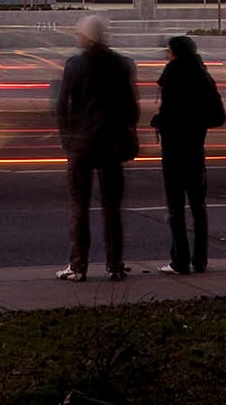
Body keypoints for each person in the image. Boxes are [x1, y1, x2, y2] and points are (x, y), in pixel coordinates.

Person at [53, 14, 140, 282]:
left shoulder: (75, 65)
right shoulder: (122, 65)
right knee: (112, 207)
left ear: (86, 36)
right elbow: (131, 107)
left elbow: (62, 105)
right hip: (111, 143)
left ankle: (78, 266)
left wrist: (67, 139)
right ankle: (115, 264)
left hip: (81, 143)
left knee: (79, 205)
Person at [150, 35, 226, 275]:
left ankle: (180, 260)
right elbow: (218, 116)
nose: (166, 55)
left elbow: (170, 113)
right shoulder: (204, 77)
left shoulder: (172, 75)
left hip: (174, 148)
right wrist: (197, 121)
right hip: (195, 147)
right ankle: (200, 260)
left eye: (169, 51)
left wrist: (160, 122)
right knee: (198, 207)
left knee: (175, 207)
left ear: (176, 53)